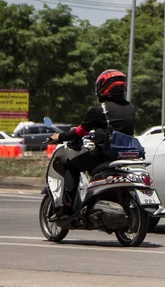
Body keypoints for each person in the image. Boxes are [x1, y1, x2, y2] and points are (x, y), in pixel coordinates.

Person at [49, 69, 136, 220]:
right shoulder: (131, 108)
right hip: (127, 154)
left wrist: (61, 136)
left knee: (71, 166)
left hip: (105, 154)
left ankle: (67, 209)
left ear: (103, 88)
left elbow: (81, 131)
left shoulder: (99, 110)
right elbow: (117, 128)